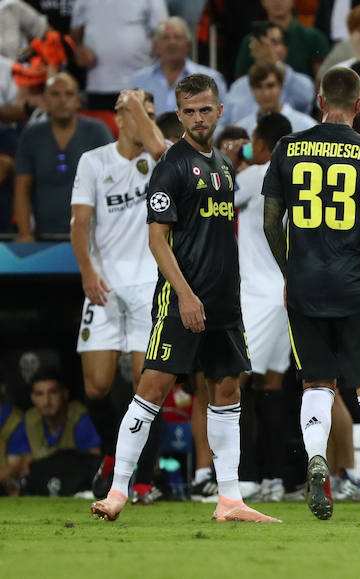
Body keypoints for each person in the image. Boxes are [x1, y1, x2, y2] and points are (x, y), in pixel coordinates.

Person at [90, 74, 279, 524]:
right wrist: (185, 295)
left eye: (205, 109)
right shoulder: (171, 165)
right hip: (183, 301)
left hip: (225, 304)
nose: (198, 118)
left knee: (227, 390)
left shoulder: (222, 166)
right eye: (189, 111)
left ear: (218, 111)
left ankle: (229, 499)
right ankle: (118, 491)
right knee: (152, 389)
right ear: (180, 115)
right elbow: (157, 240)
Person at [262, 67, 360, 523]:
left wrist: (292, 269)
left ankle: (315, 459)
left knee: (316, 383)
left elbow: (271, 222)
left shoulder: (287, 147)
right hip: (356, 284)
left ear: (320, 100)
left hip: (304, 285)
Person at [70, 88, 168, 502]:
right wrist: (87, 271)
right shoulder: (94, 161)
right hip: (105, 283)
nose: (143, 121)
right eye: (134, 114)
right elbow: (79, 223)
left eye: (150, 115)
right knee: (96, 385)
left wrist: (143, 116)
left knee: (146, 386)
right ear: (119, 119)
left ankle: (144, 477)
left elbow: (160, 144)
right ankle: (113, 453)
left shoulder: (162, 162)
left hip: (149, 283)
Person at [233, 112, 294, 503]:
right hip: (287, 293)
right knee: (272, 383)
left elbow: (215, 197)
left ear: (260, 143)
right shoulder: (297, 175)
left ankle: (246, 477)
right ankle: (275, 477)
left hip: (258, 293)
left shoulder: (255, 175)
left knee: (233, 382)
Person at [14, 72, 113, 241]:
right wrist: (24, 233)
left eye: (69, 94)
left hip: (93, 238)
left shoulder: (97, 131)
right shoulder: (31, 135)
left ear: (78, 100)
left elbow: (114, 184)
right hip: (45, 237)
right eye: (55, 94)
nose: (62, 100)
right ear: (45, 99)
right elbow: (22, 188)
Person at [5, 368, 101, 483]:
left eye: (53, 392)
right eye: (39, 394)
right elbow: (19, 468)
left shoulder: (80, 420)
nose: (46, 401)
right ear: (33, 398)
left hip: (76, 487)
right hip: (42, 489)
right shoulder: (28, 422)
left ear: (64, 393)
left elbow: (95, 465)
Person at [70, 0, 168, 111]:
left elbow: (162, 32)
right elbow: (76, 30)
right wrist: (80, 47)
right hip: (99, 84)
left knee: (140, 127)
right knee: (101, 127)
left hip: (140, 84)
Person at [222, 21, 316, 127]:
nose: (269, 48)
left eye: (275, 42)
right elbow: (221, 125)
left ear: (285, 49)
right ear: (253, 48)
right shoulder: (237, 87)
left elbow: (306, 98)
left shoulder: (301, 82)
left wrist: (275, 63)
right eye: (265, 43)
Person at [130, 17, 228, 115]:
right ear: (155, 46)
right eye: (165, 38)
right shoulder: (139, 81)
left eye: (177, 37)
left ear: (188, 44)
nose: (171, 42)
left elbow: (223, 118)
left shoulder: (210, 80)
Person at [233, 0, 330, 79]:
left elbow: (322, 83)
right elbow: (240, 84)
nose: (277, 1)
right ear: (262, 2)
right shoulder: (251, 41)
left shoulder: (314, 37)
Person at [233, 63, 317, 135]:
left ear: (281, 87)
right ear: (252, 90)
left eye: (270, 86)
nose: (265, 93)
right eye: (259, 87)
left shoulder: (307, 127)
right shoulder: (242, 129)